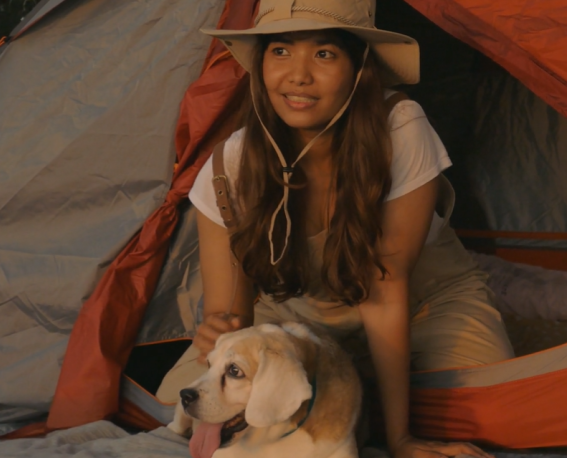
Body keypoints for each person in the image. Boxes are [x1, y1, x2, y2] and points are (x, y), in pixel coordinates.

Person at [157, 0, 515, 456]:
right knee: (176, 406)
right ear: (260, 64)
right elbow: (233, 316)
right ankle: (343, 395)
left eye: (324, 54)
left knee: (494, 413)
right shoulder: (230, 166)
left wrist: (401, 440)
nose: (298, 75)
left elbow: (384, 292)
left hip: (423, 306)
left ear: (359, 66)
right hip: (296, 319)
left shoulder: (400, 128)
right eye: (280, 51)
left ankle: (365, 401)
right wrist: (218, 335)